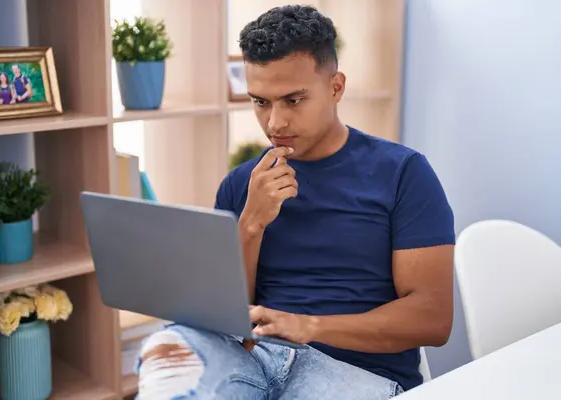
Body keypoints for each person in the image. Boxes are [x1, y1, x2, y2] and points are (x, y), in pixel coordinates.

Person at [136, 5, 455, 399]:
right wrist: (251, 223)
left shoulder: (404, 173)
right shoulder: (242, 184)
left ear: (336, 87)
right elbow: (226, 314)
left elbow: (433, 318)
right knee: (164, 350)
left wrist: (309, 326)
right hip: (255, 359)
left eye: (293, 100)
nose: (275, 123)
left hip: (355, 372)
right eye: (261, 102)